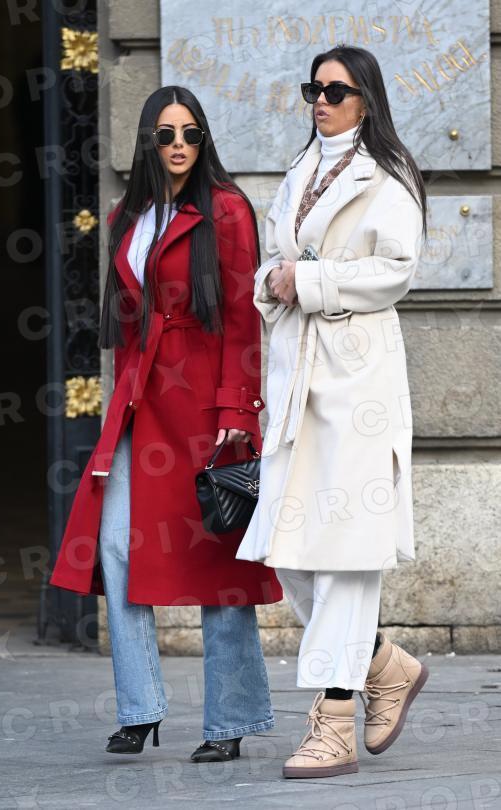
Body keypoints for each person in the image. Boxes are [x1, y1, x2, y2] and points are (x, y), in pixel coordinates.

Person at [49, 86, 282, 761]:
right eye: (166, 134)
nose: (179, 145)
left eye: (190, 133)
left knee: (217, 559)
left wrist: (237, 410)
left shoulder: (227, 209)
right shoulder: (127, 214)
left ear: (203, 141)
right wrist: (120, 400)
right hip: (139, 403)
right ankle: (139, 709)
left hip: (206, 408)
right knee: (116, 547)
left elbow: (241, 318)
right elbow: (126, 324)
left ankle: (229, 721)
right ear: (147, 141)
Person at [236, 45, 429, 778]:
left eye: (335, 90)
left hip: (355, 383)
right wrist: (273, 280)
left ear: (365, 100)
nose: (320, 101)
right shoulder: (299, 170)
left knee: (346, 554)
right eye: (312, 89)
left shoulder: (388, 174)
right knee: (290, 550)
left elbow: (396, 269)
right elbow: (273, 260)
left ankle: (335, 720)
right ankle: (384, 664)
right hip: (296, 381)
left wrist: (310, 282)